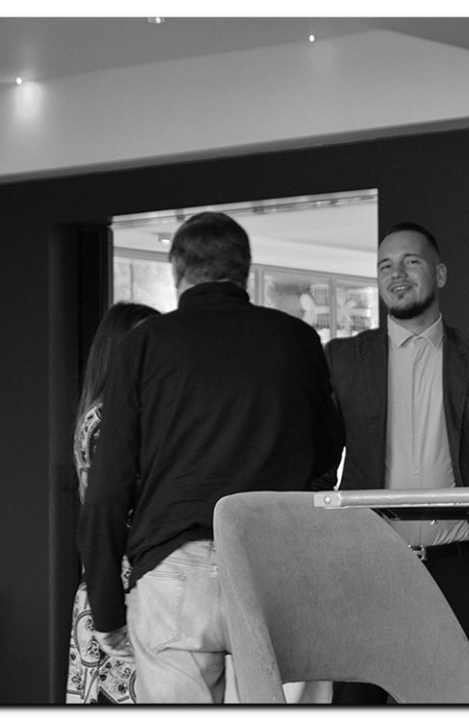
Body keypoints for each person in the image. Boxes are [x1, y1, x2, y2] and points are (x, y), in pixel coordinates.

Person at [77, 211, 343, 703]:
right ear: (244, 268)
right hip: (275, 561)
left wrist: (107, 607)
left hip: (175, 571)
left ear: (177, 269)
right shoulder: (297, 339)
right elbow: (329, 450)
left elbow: (109, 484)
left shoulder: (143, 344)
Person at [325, 221, 469, 704]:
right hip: (369, 569)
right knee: (357, 705)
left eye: (410, 262)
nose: (396, 274)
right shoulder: (343, 359)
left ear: (439, 274)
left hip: (462, 572)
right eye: (385, 266)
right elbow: (318, 466)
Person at [66, 301, 161, 704]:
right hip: (118, 589)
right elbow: (117, 512)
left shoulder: (121, 414)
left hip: (125, 583)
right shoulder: (106, 420)